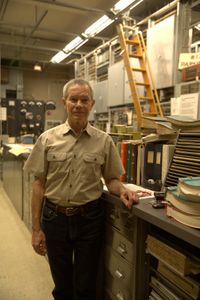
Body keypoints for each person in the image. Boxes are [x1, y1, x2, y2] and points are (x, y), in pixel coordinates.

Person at [24, 78, 139, 300]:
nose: (78, 104)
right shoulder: (47, 139)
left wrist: (122, 190)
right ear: (64, 102)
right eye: (73, 99)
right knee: (62, 286)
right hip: (55, 219)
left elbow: (112, 179)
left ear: (92, 104)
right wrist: (36, 229)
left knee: (87, 285)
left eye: (84, 100)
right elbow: (39, 184)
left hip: (89, 220)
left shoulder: (104, 141)